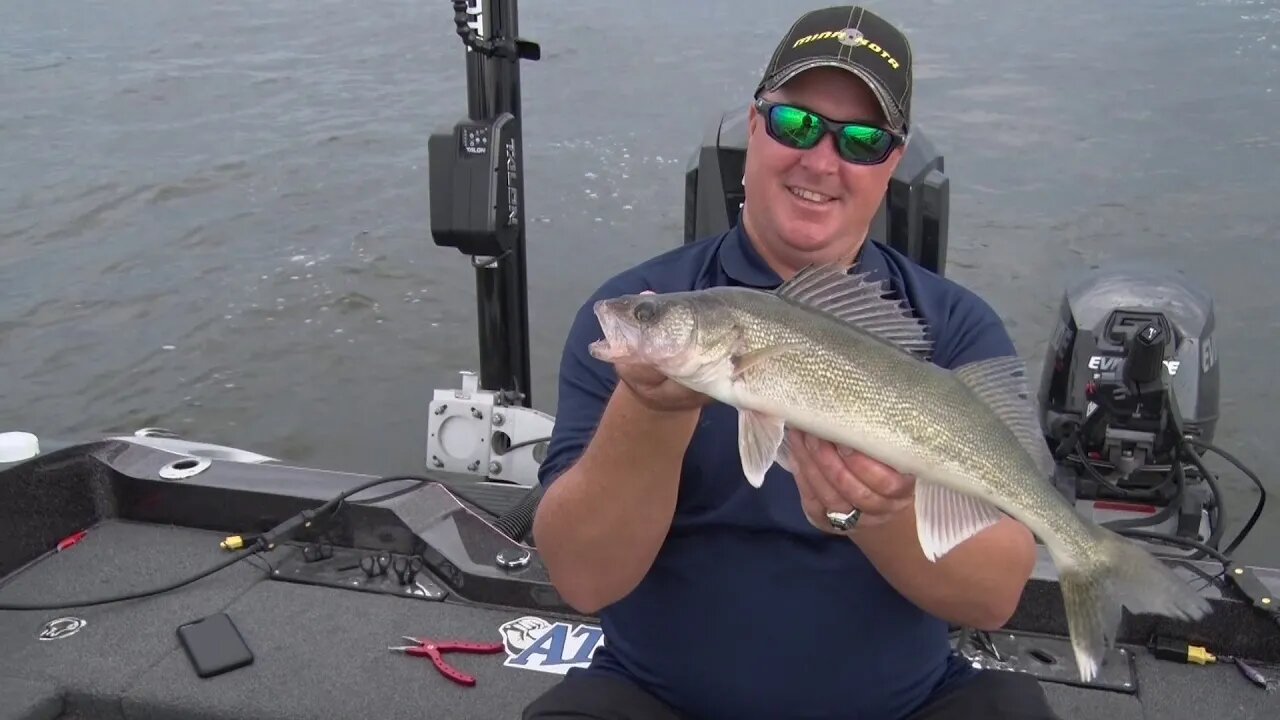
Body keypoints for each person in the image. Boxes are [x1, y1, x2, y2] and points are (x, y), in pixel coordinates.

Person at [524, 6, 1061, 720]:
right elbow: (583, 579)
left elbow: (992, 598)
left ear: (893, 163)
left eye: (863, 141)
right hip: (658, 699)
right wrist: (650, 410)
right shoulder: (637, 304)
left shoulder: (952, 328)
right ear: (754, 127)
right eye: (796, 125)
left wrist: (873, 512)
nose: (820, 161)